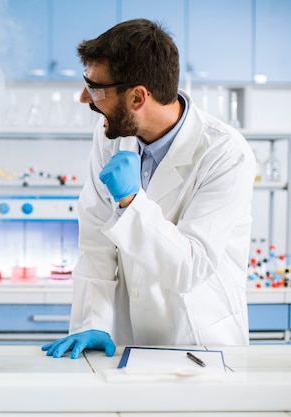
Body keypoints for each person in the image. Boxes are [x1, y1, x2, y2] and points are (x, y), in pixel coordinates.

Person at [42, 19, 255, 359]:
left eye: (96, 89)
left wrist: (130, 202)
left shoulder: (226, 153)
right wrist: (93, 319)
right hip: (129, 338)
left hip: (200, 341)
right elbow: (96, 240)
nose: (85, 98)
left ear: (138, 96)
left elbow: (190, 266)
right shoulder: (110, 135)